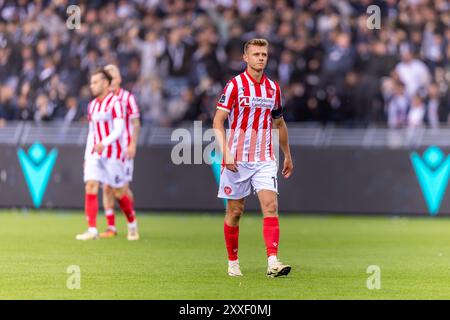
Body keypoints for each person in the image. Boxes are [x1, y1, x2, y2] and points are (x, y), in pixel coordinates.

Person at [212, 38, 294, 277]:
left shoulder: (273, 89)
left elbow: (278, 122)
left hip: (264, 158)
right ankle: (233, 261)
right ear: (245, 58)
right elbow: (218, 121)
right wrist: (225, 151)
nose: (261, 58)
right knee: (235, 212)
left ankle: (273, 262)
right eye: (256, 54)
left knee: (270, 206)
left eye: (264, 54)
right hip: (236, 159)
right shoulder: (235, 85)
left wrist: (287, 153)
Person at [76, 68, 136, 240]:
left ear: (104, 83)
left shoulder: (116, 103)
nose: (92, 86)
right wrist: (88, 156)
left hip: (114, 153)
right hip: (96, 153)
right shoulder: (92, 105)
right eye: (91, 82)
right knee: (91, 185)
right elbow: (92, 132)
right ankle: (92, 230)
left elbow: (119, 129)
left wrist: (105, 143)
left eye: (95, 82)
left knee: (118, 192)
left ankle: (132, 223)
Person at [99, 64, 140, 240]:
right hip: (106, 150)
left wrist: (132, 144)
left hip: (123, 150)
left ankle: (131, 220)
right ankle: (111, 227)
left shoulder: (127, 98)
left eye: (113, 75)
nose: (110, 78)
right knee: (106, 187)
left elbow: (136, 124)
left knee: (121, 189)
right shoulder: (103, 100)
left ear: (119, 79)